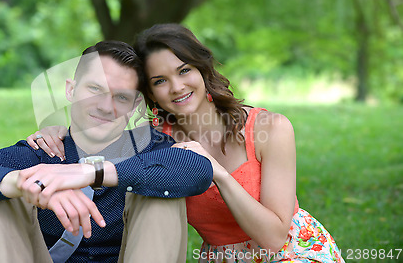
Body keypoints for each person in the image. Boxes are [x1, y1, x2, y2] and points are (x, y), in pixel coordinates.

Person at [34, 24, 345, 263]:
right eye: (160, 81)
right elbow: (97, 144)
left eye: (184, 70)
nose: (177, 87)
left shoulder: (269, 129)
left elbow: (274, 238)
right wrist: (57, 132)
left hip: (293, 252)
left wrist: (218, 174)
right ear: (150, 94)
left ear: (202, 69)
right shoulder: (155, 140)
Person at [0, 40, 213, 263]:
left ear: (133, 105)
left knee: (160, 189)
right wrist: (23, 183)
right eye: (95, 89)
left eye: (121, 97)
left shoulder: (150, 147)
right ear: (71, 90)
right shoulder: (42, 152)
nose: (106, 107)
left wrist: (89, 173)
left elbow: (197, 169)